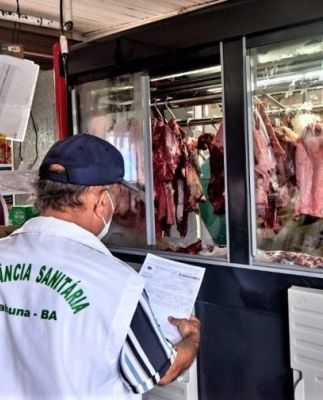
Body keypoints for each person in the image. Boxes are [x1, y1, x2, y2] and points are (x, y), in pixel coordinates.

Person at [0, 133, 201, 399]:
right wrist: (192, 337)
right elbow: (161, 371)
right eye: (115, 198)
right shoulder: (117, 283)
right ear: (101, 201)